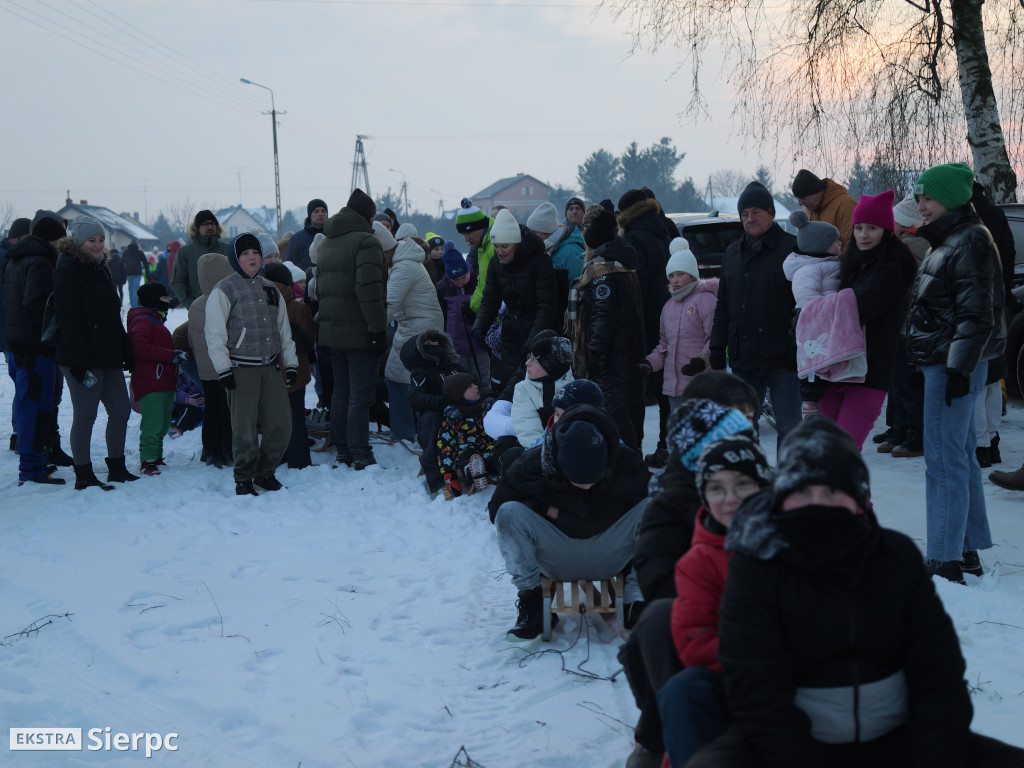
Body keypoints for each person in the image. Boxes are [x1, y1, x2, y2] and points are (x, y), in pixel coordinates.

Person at [687, 416, 1024, 768]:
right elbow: (756, 690)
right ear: (782, 500)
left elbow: (937, 671)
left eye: (833, 491)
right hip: (798, 746)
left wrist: (934, 756)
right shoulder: (758, 565)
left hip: (900, 738)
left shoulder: (894, 555)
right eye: (802, 491)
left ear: (860, 498)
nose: (817, 503)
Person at [623, 388, 759, 766]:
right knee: (659, 620)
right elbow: (657, 577)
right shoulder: (667, 504)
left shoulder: (765, 490)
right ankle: (658, 737)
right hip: (702, 622)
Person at [903, 162, 1004, 583]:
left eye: (929, 199)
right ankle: (965, 549)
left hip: (952, 366)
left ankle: (944, 558)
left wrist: (960, 369)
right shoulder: (953, 238)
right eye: (920, 199)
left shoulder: (969, 241)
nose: (922, 206)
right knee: (958, 456)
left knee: (943, 461)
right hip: (945, 363)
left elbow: (976, 314)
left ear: (951, 199)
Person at [656, 435, 773, 768]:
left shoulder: (793, 540)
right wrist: (763, 652)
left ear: (763, 486)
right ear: (704, 498)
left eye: (742, 484)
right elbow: (696, 645)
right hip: (735, 682)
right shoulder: (699, 562)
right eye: (717, 488)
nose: (730, 498)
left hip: (802, 679)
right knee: (684, 689)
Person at [487, 404, 650, 641]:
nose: (586, 486)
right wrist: (545, 508)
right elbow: (496, 510)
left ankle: (636, 599)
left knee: (656, 507)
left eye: (593, 479)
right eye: (578, 479)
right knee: (509, 513)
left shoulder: (627, 462)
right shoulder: (533, 463)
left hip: (611, 552)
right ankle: (532, 601)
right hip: (557, 554)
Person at [814, 190, 917, 450]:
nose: (863, 234)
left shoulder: (893, 268)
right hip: (835, 371)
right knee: (825, 454)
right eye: (858, 227)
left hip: (868, 375)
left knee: (844, 456)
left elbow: (857, 307)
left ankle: (856, 494)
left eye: (872, 228)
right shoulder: (851, 262)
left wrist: (810, 314)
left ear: (887, 230)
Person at [709, 181, 801, 448]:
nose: (750, 219)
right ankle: (751, 482)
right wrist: (717, 346)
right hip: (743, 360)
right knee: (741, 431)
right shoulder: (732, 253)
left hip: (782, 358)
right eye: (745, 213)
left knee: (790, 428)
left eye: (757, 212)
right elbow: (723, 304)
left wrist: (797, 347)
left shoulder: (792, 249)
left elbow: (805, 304)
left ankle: (790, 485)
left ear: (771, 213)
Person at [205, 233, 297, 496]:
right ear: (236, 258)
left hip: (270, 368)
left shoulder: (271, 289)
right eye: (245, 253)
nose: (252, 257)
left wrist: (289, 365)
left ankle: (265, 473)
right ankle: (243, 478)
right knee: (244, 431)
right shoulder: (224, 290)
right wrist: (224, 370)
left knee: (281, 426)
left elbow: (284, 331)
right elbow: (214, 334)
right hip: (240, 370)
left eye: (255, 253)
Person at [53, 216, 138, 490]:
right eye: (92, 240)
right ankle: (84, 473)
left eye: (101, 240)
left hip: (108, 353)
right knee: (86, 415)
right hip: (81, 357)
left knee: (120, 410)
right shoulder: (68, 268)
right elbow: (67, 318)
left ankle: (117, 466)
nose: (99, 245)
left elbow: (112, 314)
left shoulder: (101, 266)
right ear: (79, 241)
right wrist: (78, 357)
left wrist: (126, 348)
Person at [316, 189, 388, 470]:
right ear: (368, 217)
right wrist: (377, 331)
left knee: (340, 393)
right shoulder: (366, 243)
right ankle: (361, 452)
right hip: (360, 332)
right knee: (360, 395)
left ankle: (344, 449)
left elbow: (320, 290)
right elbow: (368, 291)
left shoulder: (326, 243)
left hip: (332, 333)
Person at [572, 208, 646, 448]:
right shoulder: (619, 262)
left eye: (587, 229)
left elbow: (603, 317)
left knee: (616, 413)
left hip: (612, 356)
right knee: (625, 411)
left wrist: (594, 354)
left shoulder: (603, 272)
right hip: (625, 350)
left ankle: (631, 464)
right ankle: (632, 463)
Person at [3, 212, 67, 485]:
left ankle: (37, 462)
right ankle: (31, 468)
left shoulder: (17, 259)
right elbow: (38, 307)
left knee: (28, 403)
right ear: (53, 240)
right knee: (35, 406)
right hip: (35, 349)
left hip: (18, 344)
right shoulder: (40, 262)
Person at [471, 209, 558, 389]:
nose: (500, 251)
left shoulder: (540, 261)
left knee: (535, 386)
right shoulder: (496, 263)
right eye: (496, 246)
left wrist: (533, 342)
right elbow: (490, 299)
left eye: (505, 246)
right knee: (510, 383)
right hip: (511, 330)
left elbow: (547, 306)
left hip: (538, 330)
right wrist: (480, 327)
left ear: (517, 243)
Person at [617, 188, 673, 456]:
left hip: (644, 323)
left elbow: (635, 286)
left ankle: (634, 449)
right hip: (668, 318)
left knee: (636, 389)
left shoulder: (634, 238)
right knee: (666, 390)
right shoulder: (665, 229)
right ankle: (667, 445)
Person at [645, 236, 719, 413]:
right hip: (674, 387)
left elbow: (714, 338)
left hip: (700, 384)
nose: (675, 280)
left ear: (692, 274)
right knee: (682, 433)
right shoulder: (668, 307)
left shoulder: (706, 300)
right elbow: (664, 345)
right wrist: (649, 363)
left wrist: (702, 361)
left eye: (680, 274)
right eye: (671, 275)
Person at [385, 223, 443, 443]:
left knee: (399, 377)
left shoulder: (404, 266)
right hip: (418, 327)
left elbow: (389, 305)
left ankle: (407, 432)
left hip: (417, 329)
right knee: (412, 379)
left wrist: (368, 326)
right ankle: (419, 430)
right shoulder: (407, 262)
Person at [783, 209, 843, 415]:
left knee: (823, 359)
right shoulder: (808, 269)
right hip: (812, 321)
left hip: (826, 320)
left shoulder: (827, 263)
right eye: (836, 241)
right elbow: (806, 297)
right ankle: (810, 402)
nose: (840, 245)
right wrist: (827, 312)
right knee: (813, 362)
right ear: (821, 246)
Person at [127, 282, 186, 476]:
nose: (168, 302)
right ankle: (148, 460)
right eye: (164, 298)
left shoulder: (155, 320)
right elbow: (140, 348)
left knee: (162, 422)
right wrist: (170, 355)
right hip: (151, 381)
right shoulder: (143, 320)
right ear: (154, 300)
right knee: (152, 423)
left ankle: (157, 456)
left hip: (163, 380)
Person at [263, 262, 316, 470]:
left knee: (272, 417)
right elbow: (310, 339)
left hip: (266, 370)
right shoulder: (298, 308)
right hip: (295, 372)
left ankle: (277, 456)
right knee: (295, 417)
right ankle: (299, 460)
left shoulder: (255, 305)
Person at [403, 329, 468, 495]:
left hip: (464, 412)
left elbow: (474, 382)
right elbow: (415, 397)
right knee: (431, 420)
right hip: (437, 418)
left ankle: (476, 469)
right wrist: (443, 404)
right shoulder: (421, 373)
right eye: (429, 343)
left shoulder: (453, 367)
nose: (435, 344)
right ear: (420, 350)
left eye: (437, 341)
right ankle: (437, 480)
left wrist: (488, 398)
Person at [187, 253, 235, 468]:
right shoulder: (226, 301)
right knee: (228, 409)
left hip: (205, 367)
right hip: (226, 364)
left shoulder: (196, 304)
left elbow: (189, 337)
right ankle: (228, 448)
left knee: (212, 408)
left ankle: (210, 449)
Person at [435, 371, 498, 499]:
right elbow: (445, 447)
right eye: (469, 386)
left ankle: (502, 471)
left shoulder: (484, 408)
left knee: (497, 454)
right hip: (466, 452)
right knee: (468, 454)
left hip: (487, 449)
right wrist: (449, 477)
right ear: (459, 395)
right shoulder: (453, 419)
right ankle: (472, 471)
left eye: (474, 383)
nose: (476, 386)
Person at [435, 241, 489, 386]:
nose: (460, 281)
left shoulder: (478, 281)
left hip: (479, 340)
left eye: (463, 277)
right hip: (455, 343)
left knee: (483, 376)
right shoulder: (443, 287)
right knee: (462, 380)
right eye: (456, 279)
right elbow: (442, 315)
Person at [511, 330, 575, 448]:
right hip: (536, 451)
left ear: (550, 365)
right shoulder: (524, 389)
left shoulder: (574, 389)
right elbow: (528, 430)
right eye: (528, 357)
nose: (527, 363)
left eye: (534, 359)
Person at [2, 217, 32, 453]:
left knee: (22, 384)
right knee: (24, 385)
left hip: (10, 333)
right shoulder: (11, 259)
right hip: (13, 333)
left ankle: (19, 433)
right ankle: (20, 434)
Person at [171, 210, 232, 309]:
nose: (209, 227)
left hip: (227, 306)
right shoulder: (185, 252)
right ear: (197, 228)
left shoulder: (228, 249)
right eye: (205, 224)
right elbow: (177, 282)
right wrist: (190, 304)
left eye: (212, 223)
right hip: (199, 307)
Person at [791, 168, 858, 246]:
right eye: (798, 198)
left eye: (803, 197)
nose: (800, 203)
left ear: (815, 191)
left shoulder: (846, 205)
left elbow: (851, 245)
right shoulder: (808, 212)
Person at [455, 198, 495, 319]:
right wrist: (472, 305)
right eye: (463, 235)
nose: (466, 240)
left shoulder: (494, 246)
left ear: (480, 227)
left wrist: (474, 306)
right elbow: (482, 282)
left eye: (468, 233)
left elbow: (493, 287)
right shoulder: (482, 245)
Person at [286, 198, 328, 272]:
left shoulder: (334, 236)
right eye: (316, 211)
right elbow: (290, 266)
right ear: (310, 215)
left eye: (323, 211)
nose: (320, 214)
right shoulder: (296, 239)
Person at [122, 240, 149, 308]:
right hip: (137, 273)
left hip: (128, 273)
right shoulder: (139, 252)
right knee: (136, 289)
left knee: (130, 289)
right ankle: (135, 305)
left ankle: (132, 303)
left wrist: (123, 272)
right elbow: (145, 262)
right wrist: (147, 272)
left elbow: (121, 263)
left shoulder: (126, 252)